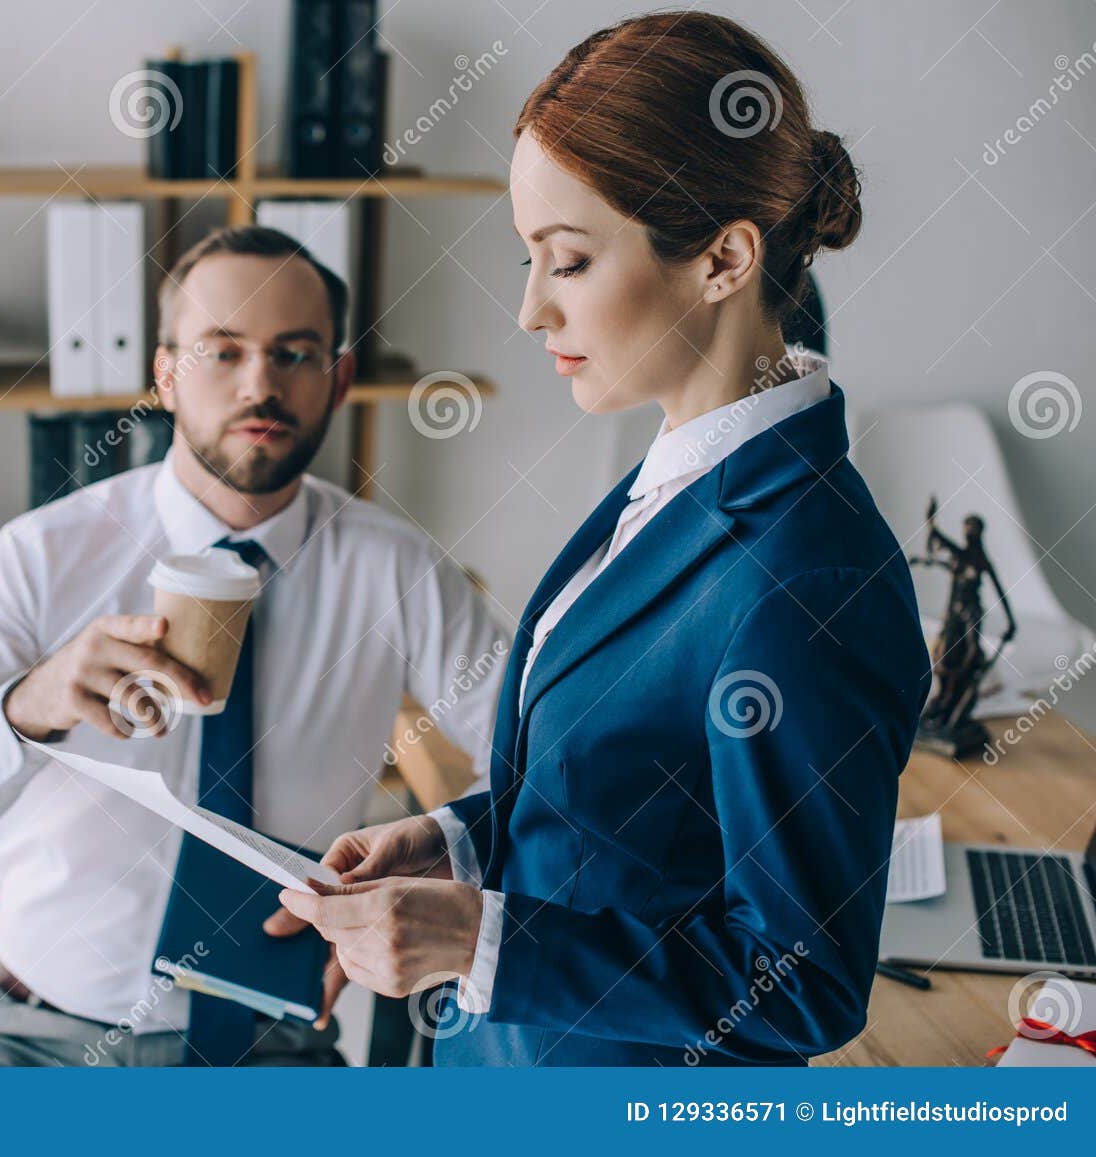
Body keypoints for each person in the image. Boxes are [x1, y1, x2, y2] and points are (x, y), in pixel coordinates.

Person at [272, 12, 934, 1066]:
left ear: (722, 258)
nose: (530, 308)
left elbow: (800, 979)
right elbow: (638, 803)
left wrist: (479, 937)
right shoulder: (677, 476)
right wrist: (457, 841)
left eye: (567, 260)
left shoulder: (807, 579)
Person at [0, 225, 510, 1067]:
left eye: (295, 353)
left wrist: (449, 857)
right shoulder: (44, 554)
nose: (259, 384)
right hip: (27, 1036)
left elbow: (549, 760)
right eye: (222, 350)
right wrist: (30, 706)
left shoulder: (397, 567)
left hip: (265, 1043)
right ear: (164, 374)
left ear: (338, 379)